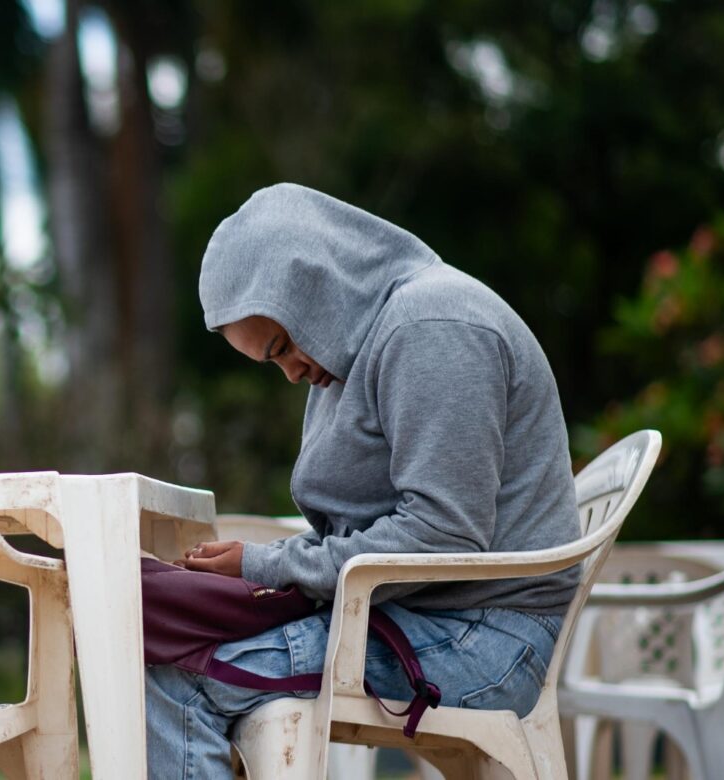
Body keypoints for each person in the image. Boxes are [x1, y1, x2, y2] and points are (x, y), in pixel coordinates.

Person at [145, 183, 580, 778]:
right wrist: (257, 564)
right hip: (422, 616)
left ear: (316, 287)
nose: (291, 372)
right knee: (160, 644)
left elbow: (442, 534)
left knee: (181, 676)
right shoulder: (354, 346)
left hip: (484, 639)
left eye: (282, 345)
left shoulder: (431, 327)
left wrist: (268, 567)